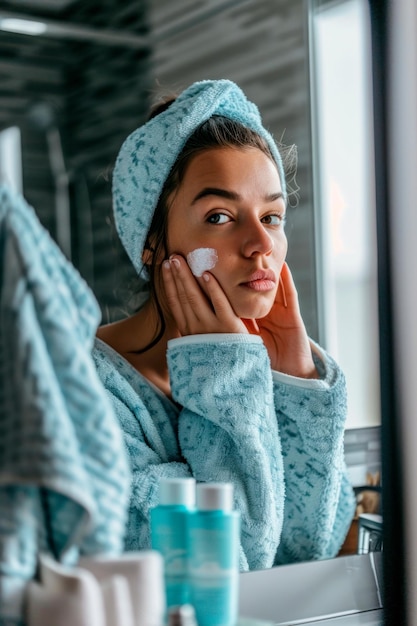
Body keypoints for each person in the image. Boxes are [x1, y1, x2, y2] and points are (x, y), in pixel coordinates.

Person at [92, 79, 356, 571]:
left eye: (272, 216)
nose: (260, 244)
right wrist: (224, 377)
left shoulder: (261, 368)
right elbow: (226, 571)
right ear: (151, 243)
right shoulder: (86, 394)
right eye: (219, 215)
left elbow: (308, 549)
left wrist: (293, 381)